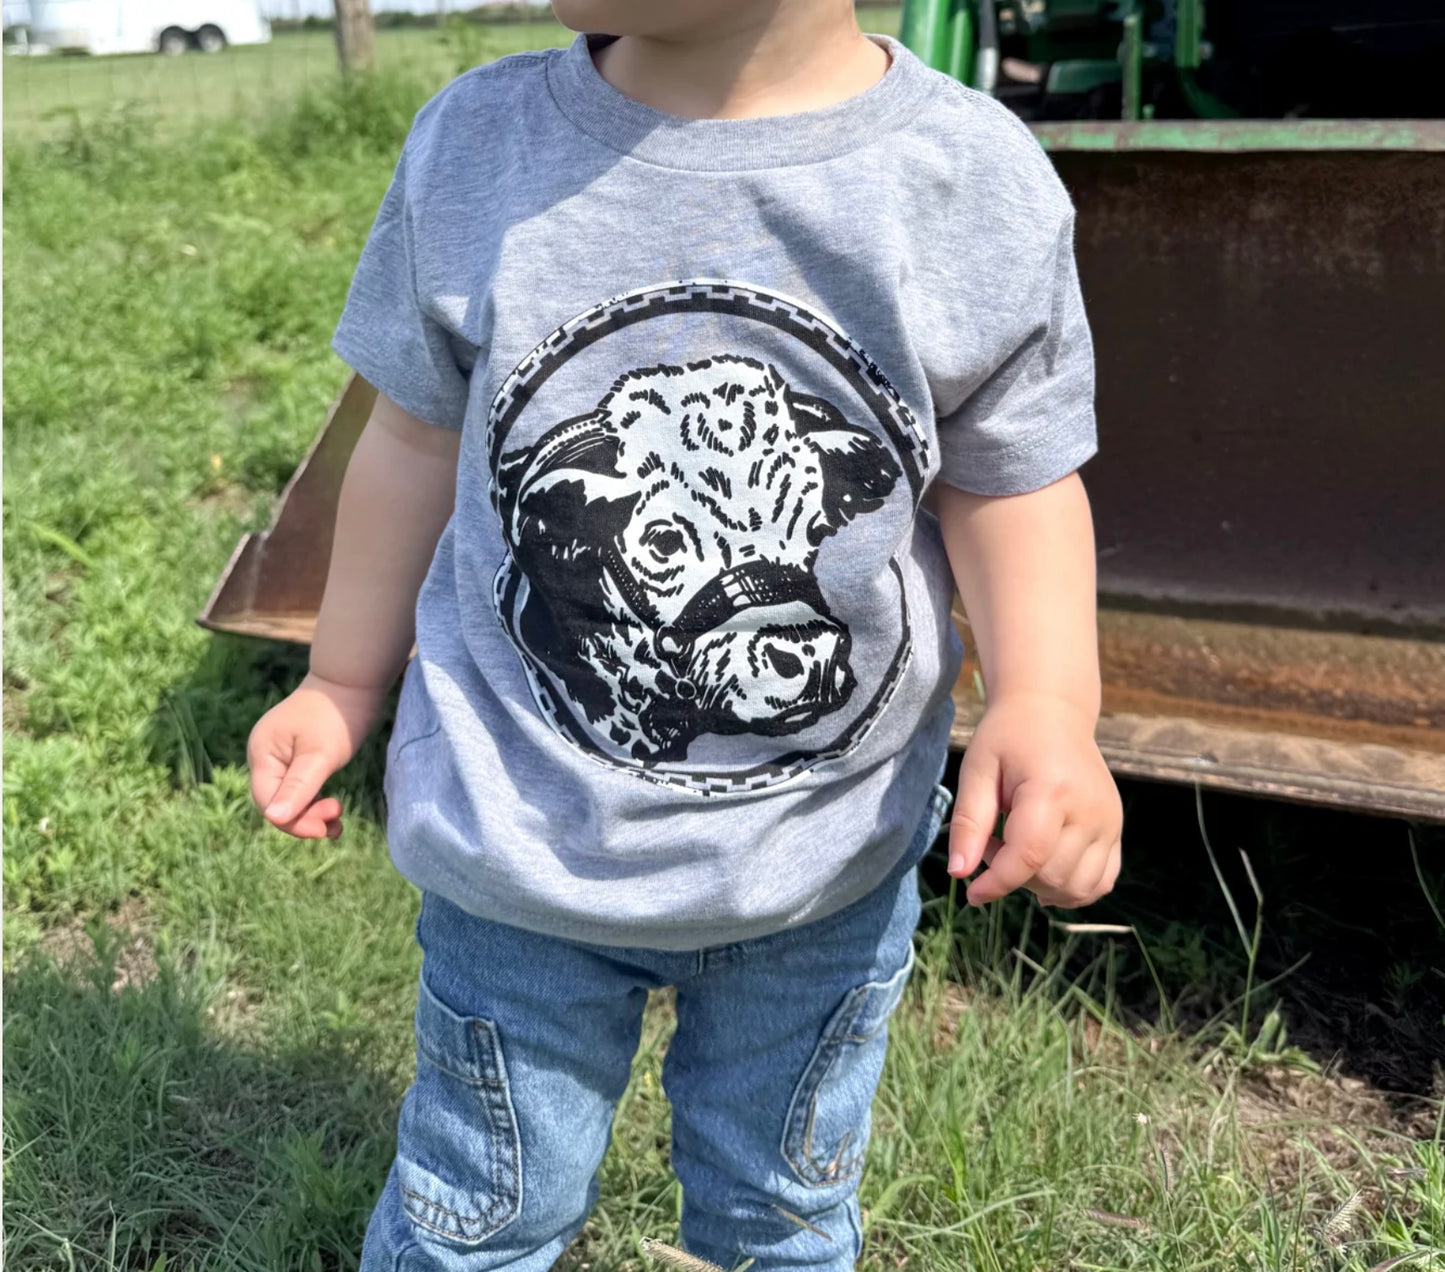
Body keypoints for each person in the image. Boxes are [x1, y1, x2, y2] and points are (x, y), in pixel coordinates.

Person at [247, 1, 1124, 1267]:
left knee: (779, 1219)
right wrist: (339, 678)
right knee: (478, 1215)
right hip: (527, 847)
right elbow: (409, 439)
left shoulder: (964, 178)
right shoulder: (479, 144)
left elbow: (1012, 480)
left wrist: (1048, 704)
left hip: (820, 858)